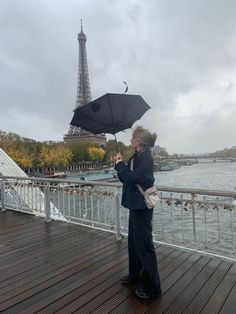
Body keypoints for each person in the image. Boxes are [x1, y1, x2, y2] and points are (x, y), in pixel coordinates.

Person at [114, 126, 162, 300]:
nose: (130, 140)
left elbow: (135, 178)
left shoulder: (146, 159)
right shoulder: (137, 157)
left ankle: (153, 287)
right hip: (135, 205)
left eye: (133, 137)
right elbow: (127, 179)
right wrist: (119, 165)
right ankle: (135, 275)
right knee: (134, 243)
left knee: (144, 246)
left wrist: (120, 165)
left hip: (142, 207)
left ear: (139, 141)